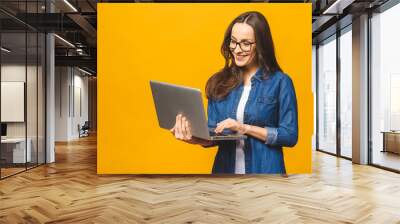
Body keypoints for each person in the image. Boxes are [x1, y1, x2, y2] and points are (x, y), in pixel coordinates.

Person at [170, 11, 298, 174]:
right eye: (233, 42)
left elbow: (289, 135)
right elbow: (213, 135)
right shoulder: (220, 82)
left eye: (245, 43)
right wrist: (192, 137)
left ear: (260, 45)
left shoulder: (281, 82)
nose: (237, 50)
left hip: (266, 173)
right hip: (225, 174)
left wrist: (244, 128)